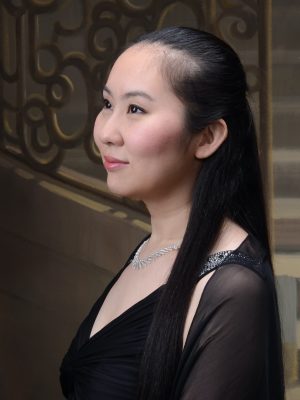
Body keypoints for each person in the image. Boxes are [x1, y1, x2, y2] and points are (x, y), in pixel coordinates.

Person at [60, 27, 285, 400]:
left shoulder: (233, 288)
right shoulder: (152, 247)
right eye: (107, 104)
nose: (106, 133)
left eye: (135, 109)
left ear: (208, 137)